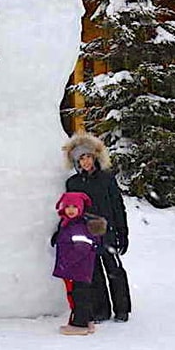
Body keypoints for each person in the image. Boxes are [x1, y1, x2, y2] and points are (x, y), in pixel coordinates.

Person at [63, 132, 131, 322]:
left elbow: (118, 206)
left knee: (114, 270)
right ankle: (101, 309)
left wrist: (122, 232)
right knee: (94, 273)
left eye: (88, 157)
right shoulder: (73, 183)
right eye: (81, 158)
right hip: (87, 234)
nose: (86, 162)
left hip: (108, 232)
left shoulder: (106, 179)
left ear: (95, 157)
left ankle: (122, 309)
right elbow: (70, 210)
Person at [51, 191, 107, 336]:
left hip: (78, 268)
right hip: (79, 268)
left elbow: (82, 248)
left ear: (80, 208)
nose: (70, 210)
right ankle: (88, 320)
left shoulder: (79, 226)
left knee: (79, 296)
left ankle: (79, 324)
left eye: (74, 207)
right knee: (82, 295)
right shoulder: (70, 223)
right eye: (68, 206)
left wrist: (67, 262)